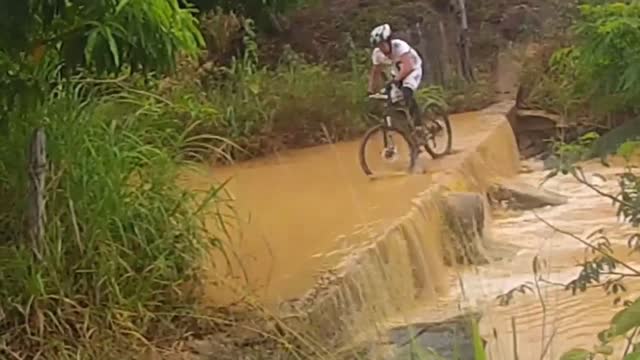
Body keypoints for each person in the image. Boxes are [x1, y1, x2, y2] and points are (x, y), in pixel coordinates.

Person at [367, 23, 424, 133]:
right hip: (398, 72)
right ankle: (406, 126)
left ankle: (419, 125)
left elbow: (408, 66)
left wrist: (395, 80)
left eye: (383, 44)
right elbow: (375, 73)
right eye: (378, 46)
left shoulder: (399, 46)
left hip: (413, 69)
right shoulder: (377, 54)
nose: (381, 49)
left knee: (406, 92)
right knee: (393, 100)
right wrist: (370, 90)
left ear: (389, 40)